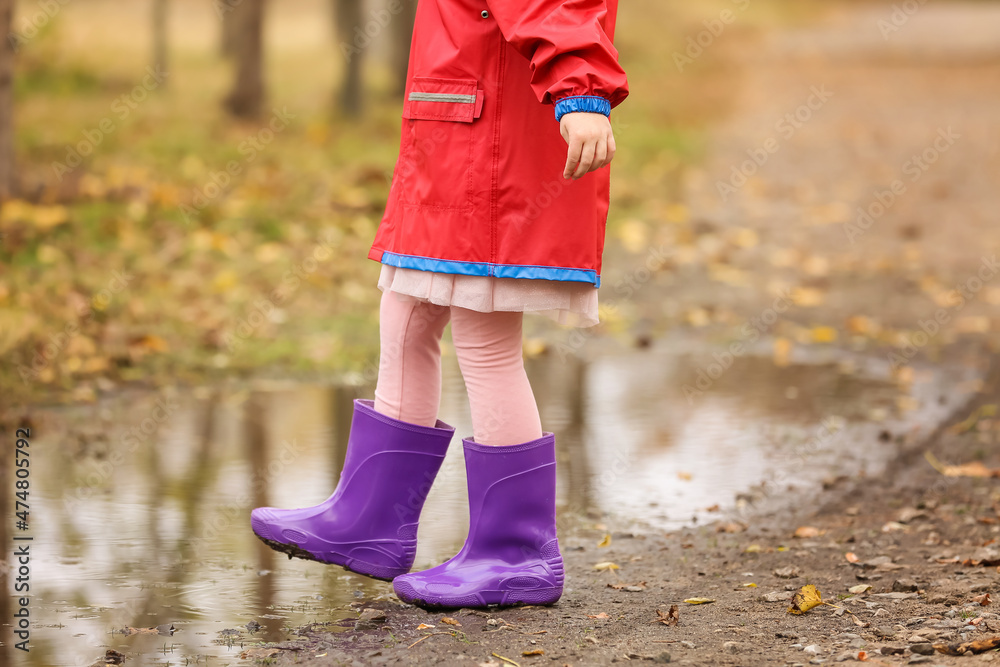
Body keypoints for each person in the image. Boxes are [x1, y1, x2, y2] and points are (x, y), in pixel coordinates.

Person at [251, 0, 629, 609]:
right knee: (406, 310)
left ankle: (516, 553)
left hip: (494, 141)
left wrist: (581, 88)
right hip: (451, 128)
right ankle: (368, 518)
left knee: (485, 339)